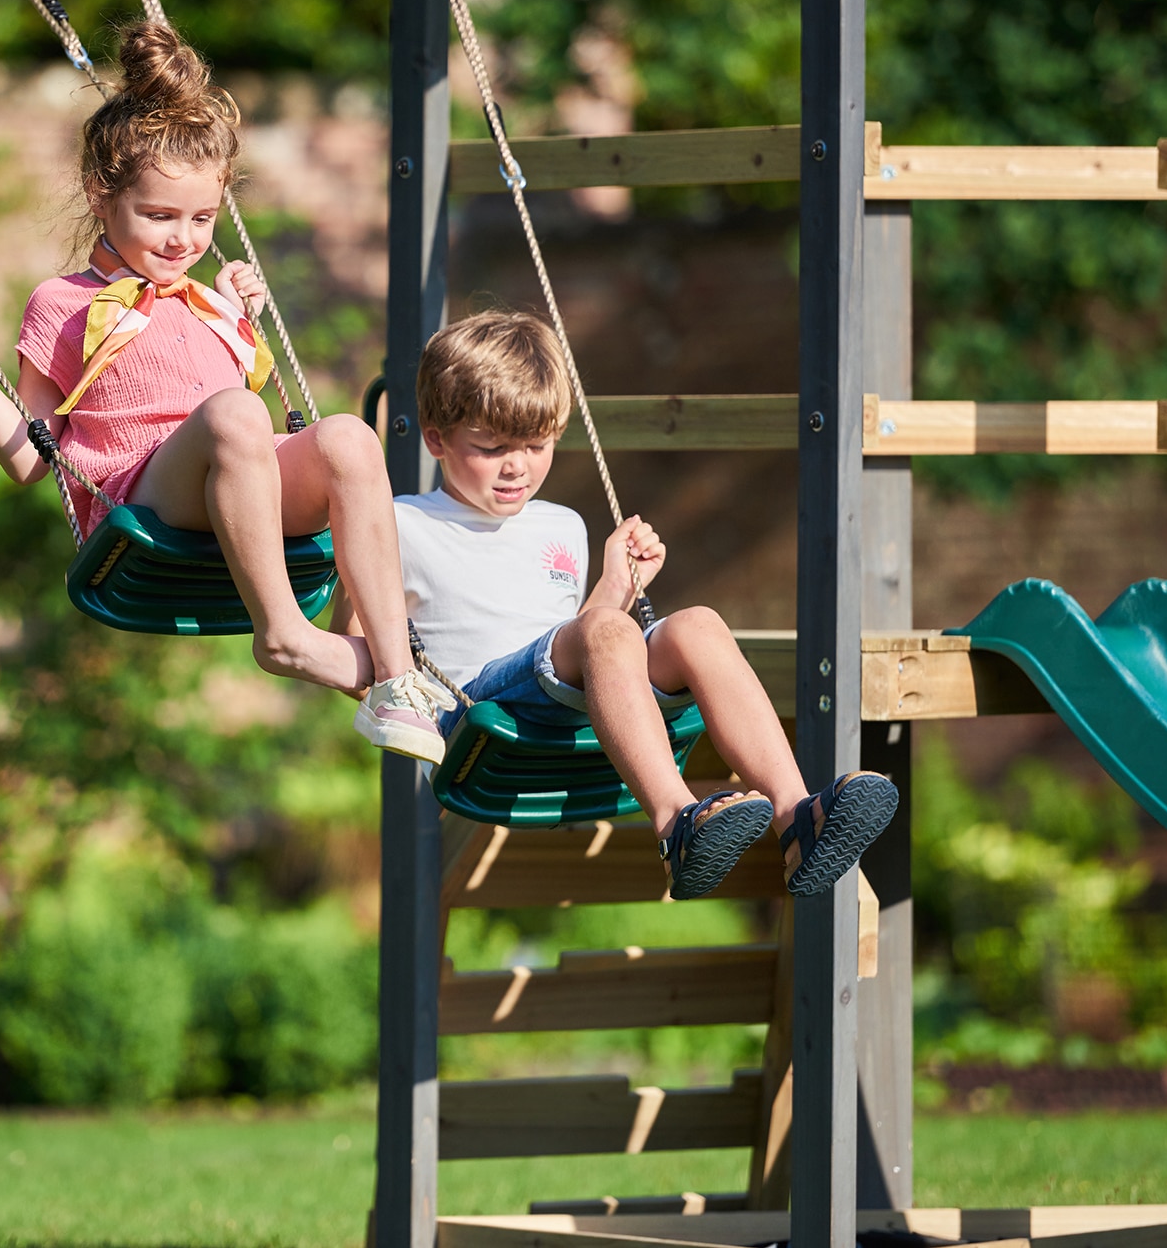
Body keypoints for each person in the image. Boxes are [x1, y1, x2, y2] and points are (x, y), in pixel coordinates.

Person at [0, 21, 450, 763]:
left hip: (240, 481)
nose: (183, 241)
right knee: (238, 413)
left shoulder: (208, 300)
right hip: (145, 495)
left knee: (348, 437)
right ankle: (284, 635)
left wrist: (241, 319)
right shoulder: (62, 302)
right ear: (99, 197)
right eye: (160, 217)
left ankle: (389, 673)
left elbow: (231, 408)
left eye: (202, 219)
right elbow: (27, 459)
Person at [365, 310, 897, 898]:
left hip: (559, 694)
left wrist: (616, 584)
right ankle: (676, 824)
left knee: (697, 624)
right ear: (436, 439)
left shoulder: (562, 525)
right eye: (491, 447)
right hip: (480, 713)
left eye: (537, 444)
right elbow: (360, 639)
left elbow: (575, 644)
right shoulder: (400, 522)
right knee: (606, 631)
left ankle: (798, 818)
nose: (517, 465)